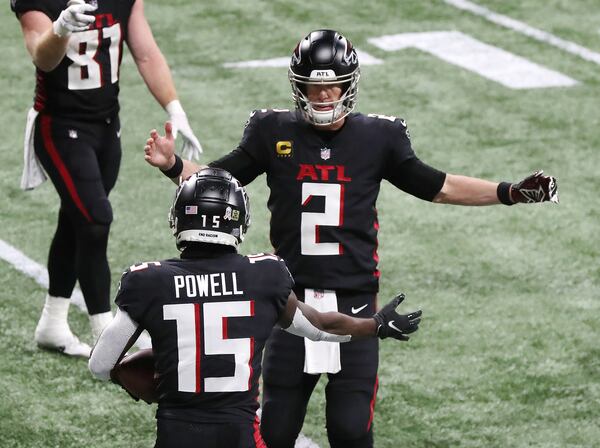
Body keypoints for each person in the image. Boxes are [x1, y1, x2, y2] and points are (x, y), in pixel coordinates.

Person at [144, 29, 558, 448]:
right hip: (291, 298)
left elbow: (439, 186)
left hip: (354, 297)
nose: (323, 96)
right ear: (298, 86)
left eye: (332, 86)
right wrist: (174, 164)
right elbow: (218, 182)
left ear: (349, 84)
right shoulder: (272, 132)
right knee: (275, 428)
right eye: (314, 87)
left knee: (351, 428)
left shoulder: (379, 137)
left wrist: (509, 192)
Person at [88, 167, 422, 448]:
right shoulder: (264, 275)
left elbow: (101, 364)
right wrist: (374, 324)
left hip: (177, 431)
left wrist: (139, 372)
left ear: (178, 219)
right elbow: (319, 327)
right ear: (239, 222)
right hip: (238, 433)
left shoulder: (148, 280)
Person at [12, 0, 202, 357]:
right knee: (96, 220)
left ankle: (52, 323)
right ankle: (106, 336)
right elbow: (43, 57)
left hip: (106, 128)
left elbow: (145, 54)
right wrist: (62, 27)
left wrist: (175, 109)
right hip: (59, 127)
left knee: (78, 220)